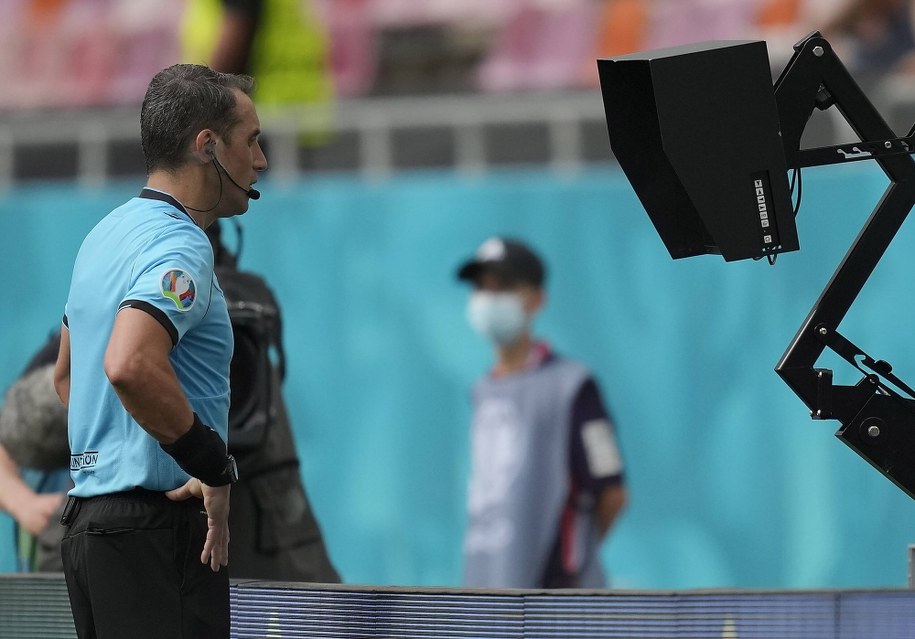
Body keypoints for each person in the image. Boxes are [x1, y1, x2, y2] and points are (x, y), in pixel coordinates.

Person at [54, 63, 267, 639]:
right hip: (154, 531)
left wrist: (118, 458)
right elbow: (129, 363)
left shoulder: (104, 235)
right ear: (207, 146)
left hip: (90, 527)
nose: (261, 160)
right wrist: (210, 465)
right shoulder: (181, 245)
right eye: (251, 140)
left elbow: (67, 376)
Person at [456, 236, 627, 589]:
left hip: (552, 601)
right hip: (486, 591)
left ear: (535, 300)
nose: (487, 299)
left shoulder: (572, 386)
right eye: (481, 288)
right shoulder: (481, 391)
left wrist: (573, 561)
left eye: (502, 287)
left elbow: (612, 493)